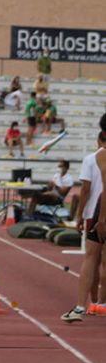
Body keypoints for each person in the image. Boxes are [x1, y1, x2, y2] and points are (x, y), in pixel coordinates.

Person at [62, 129, 106, 322]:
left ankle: (87, 304)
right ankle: (99, 303)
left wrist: (81, 215)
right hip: (97, 211)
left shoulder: (94, 158)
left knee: (92, 259)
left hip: (95, 212)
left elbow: (86, 189)